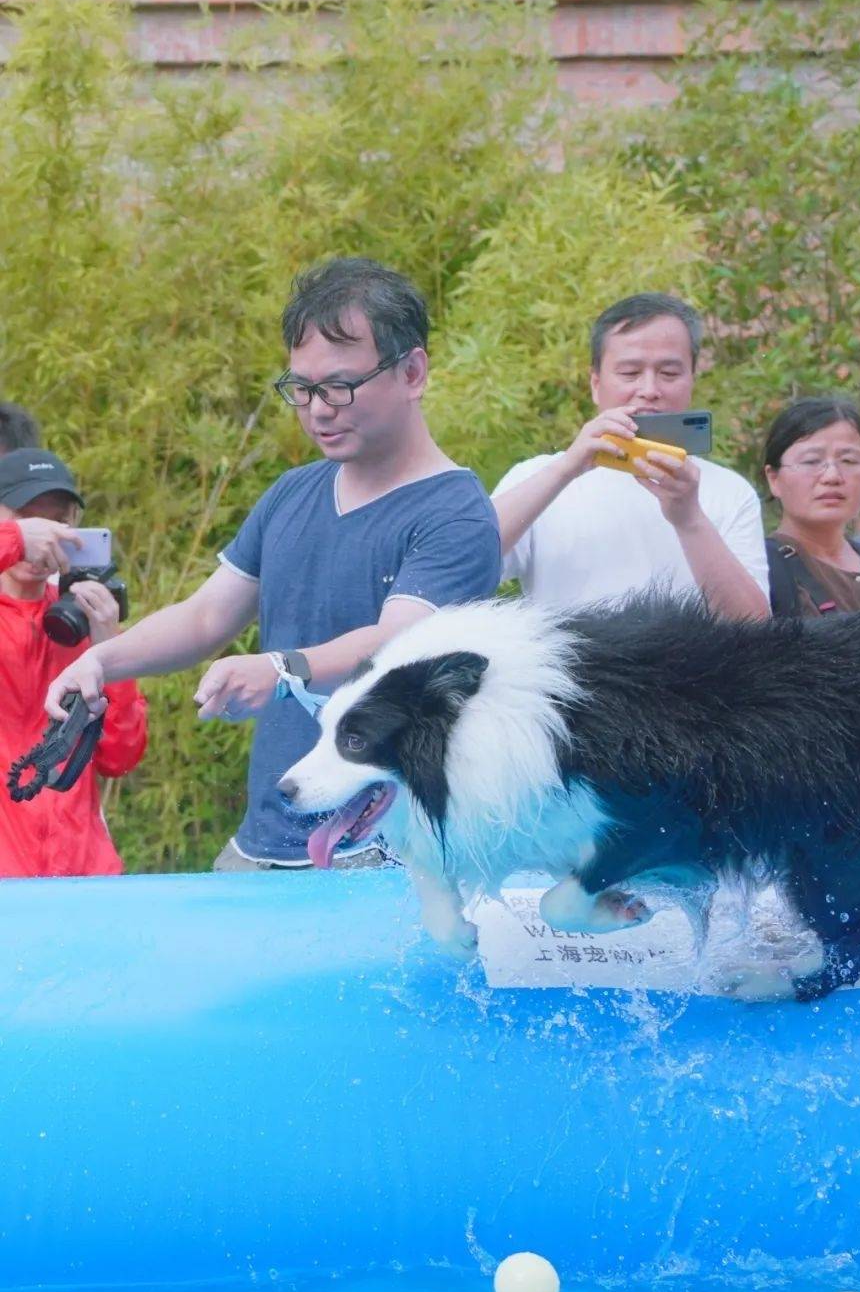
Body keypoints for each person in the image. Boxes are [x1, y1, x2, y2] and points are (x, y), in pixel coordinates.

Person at [46, 257, 502, 871]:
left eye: (339, 386)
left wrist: (283, 668)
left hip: (382, 852)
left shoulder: (456, 513)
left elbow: (399, 639)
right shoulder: (294, 492)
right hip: (263, 839)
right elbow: (207, 616)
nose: (318, 409)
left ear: (413, 371)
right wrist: (99, 661)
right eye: (301, 389)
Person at [493, 293, 770, 618]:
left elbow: (753, 627)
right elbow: (459, 559)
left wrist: (690, 519)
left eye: (669, 373)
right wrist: (567, 468)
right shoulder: (537, 477)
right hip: (574, 669)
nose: (649, 389)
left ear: (691, 382)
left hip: (695, 669)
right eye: (629, 373)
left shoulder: (729, 491)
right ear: (595, 384)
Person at [0, 447, 147, 877]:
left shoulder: (79, 618)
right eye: (27, 517)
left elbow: (120, 758)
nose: (45, 536)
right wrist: (15, 541)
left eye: (57, 522)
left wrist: (108, 647)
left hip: (83, 875)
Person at [761, 397, 860, 617]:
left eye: (849, 461)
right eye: (811, 461)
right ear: (774, 479)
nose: (832, 476)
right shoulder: (760, 568)